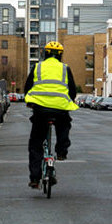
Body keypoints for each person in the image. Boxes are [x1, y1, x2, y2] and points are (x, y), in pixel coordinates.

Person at [24, 40, 79, 189]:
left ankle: (35, 178)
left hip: (40, 109)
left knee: (36, 144)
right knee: (64, 125)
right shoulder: (65, 68)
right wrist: (69, 100)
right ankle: (61, 151)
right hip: (60, 108)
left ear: (45, 53)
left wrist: (30, 102)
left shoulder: (37, 67)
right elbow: (72, 90)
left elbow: (28, 87)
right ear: (60, 55)